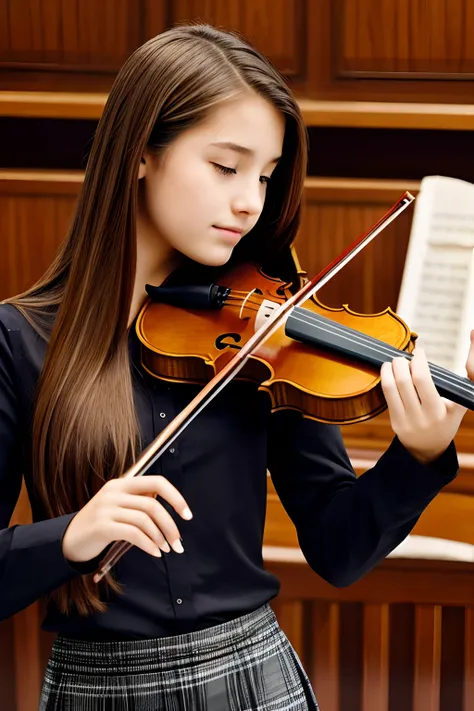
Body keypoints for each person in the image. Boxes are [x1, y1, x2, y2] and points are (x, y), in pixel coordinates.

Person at [0, 23, 472, 711]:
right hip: (95, 690)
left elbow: (339, 551)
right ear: (141, 152)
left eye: (266, 174)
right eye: (226, 166)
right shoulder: (19, 339)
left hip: (255, 684)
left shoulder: (269, 337)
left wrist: (418, 454)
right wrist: (69, 536)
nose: (250, 200)